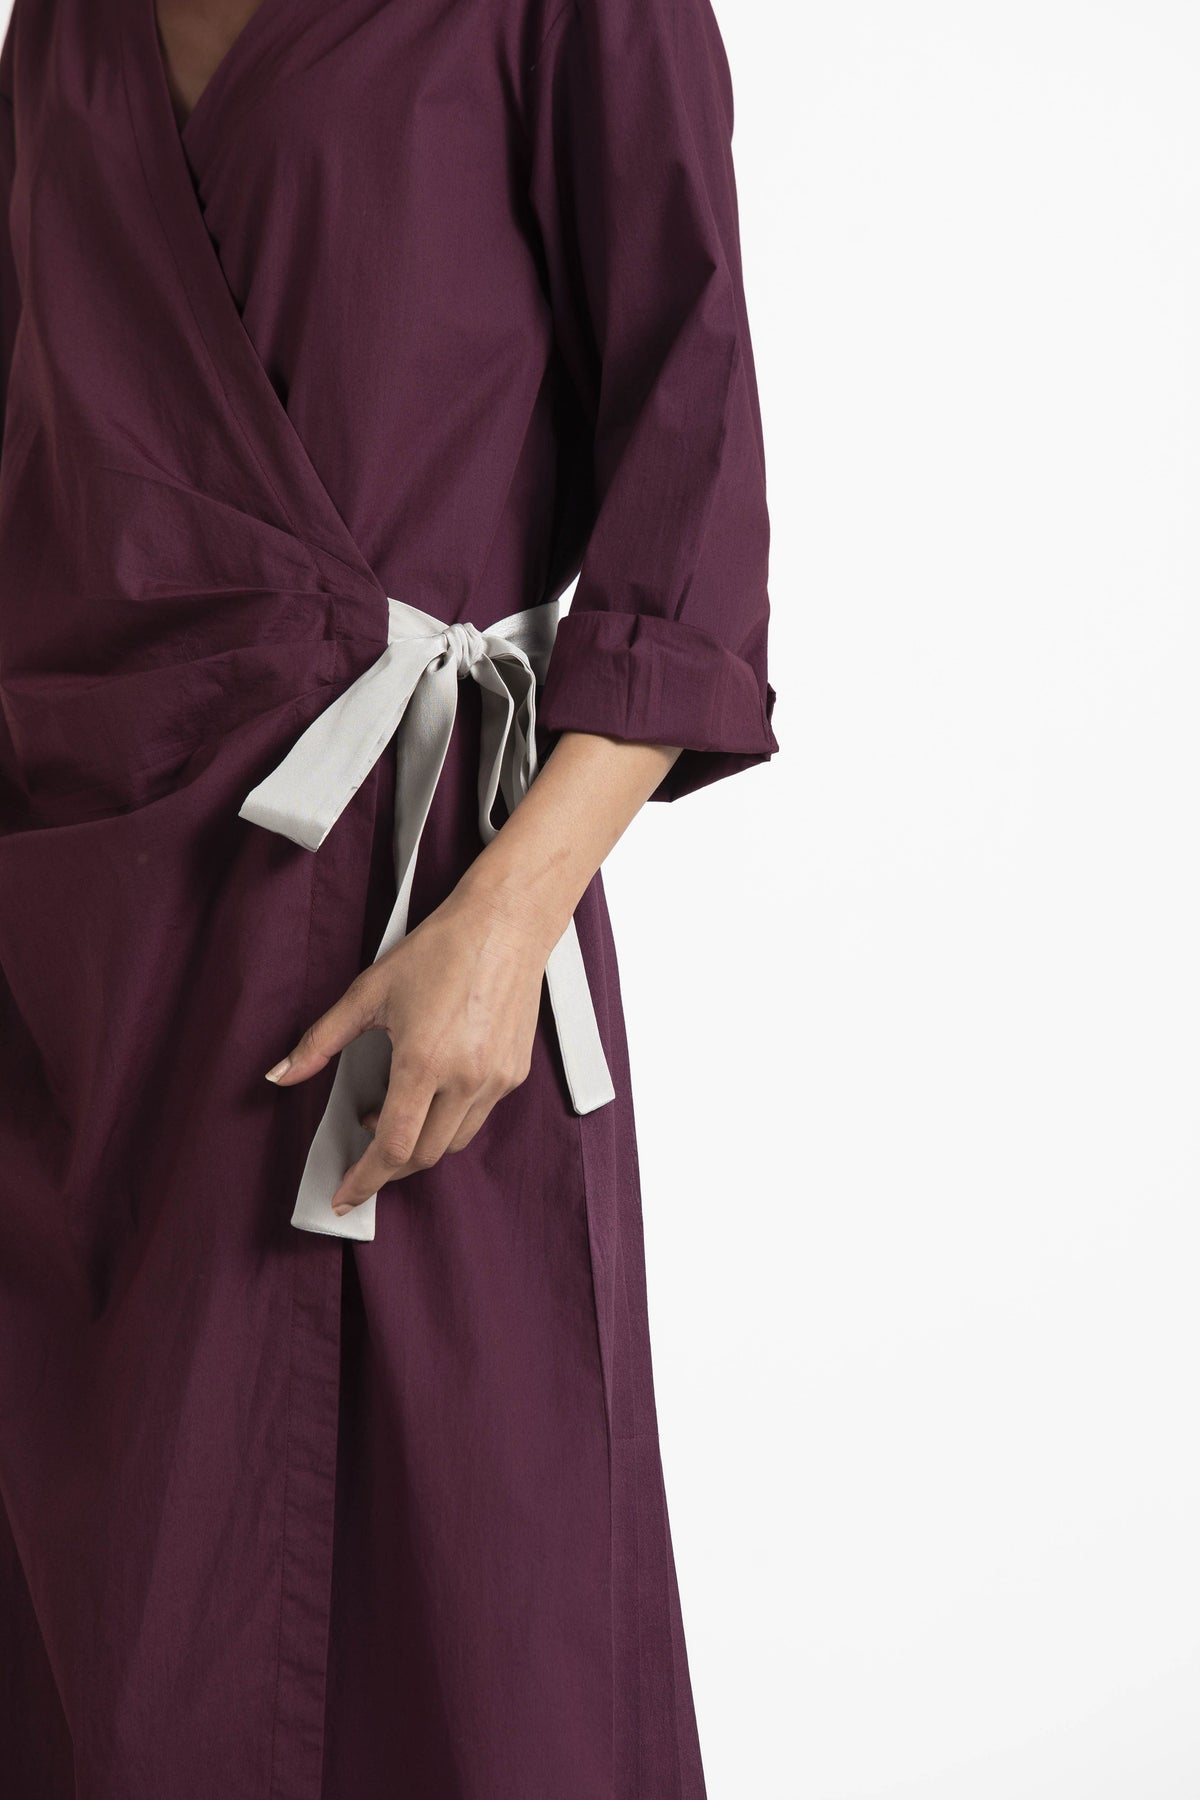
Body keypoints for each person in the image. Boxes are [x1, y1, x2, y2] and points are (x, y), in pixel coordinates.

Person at [0, 0, 778, 1794]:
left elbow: (695, 481)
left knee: (469, 1647)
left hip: (412, 946)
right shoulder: (66, 31)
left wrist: (506, 928)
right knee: (104, 1646)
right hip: (87, 984)